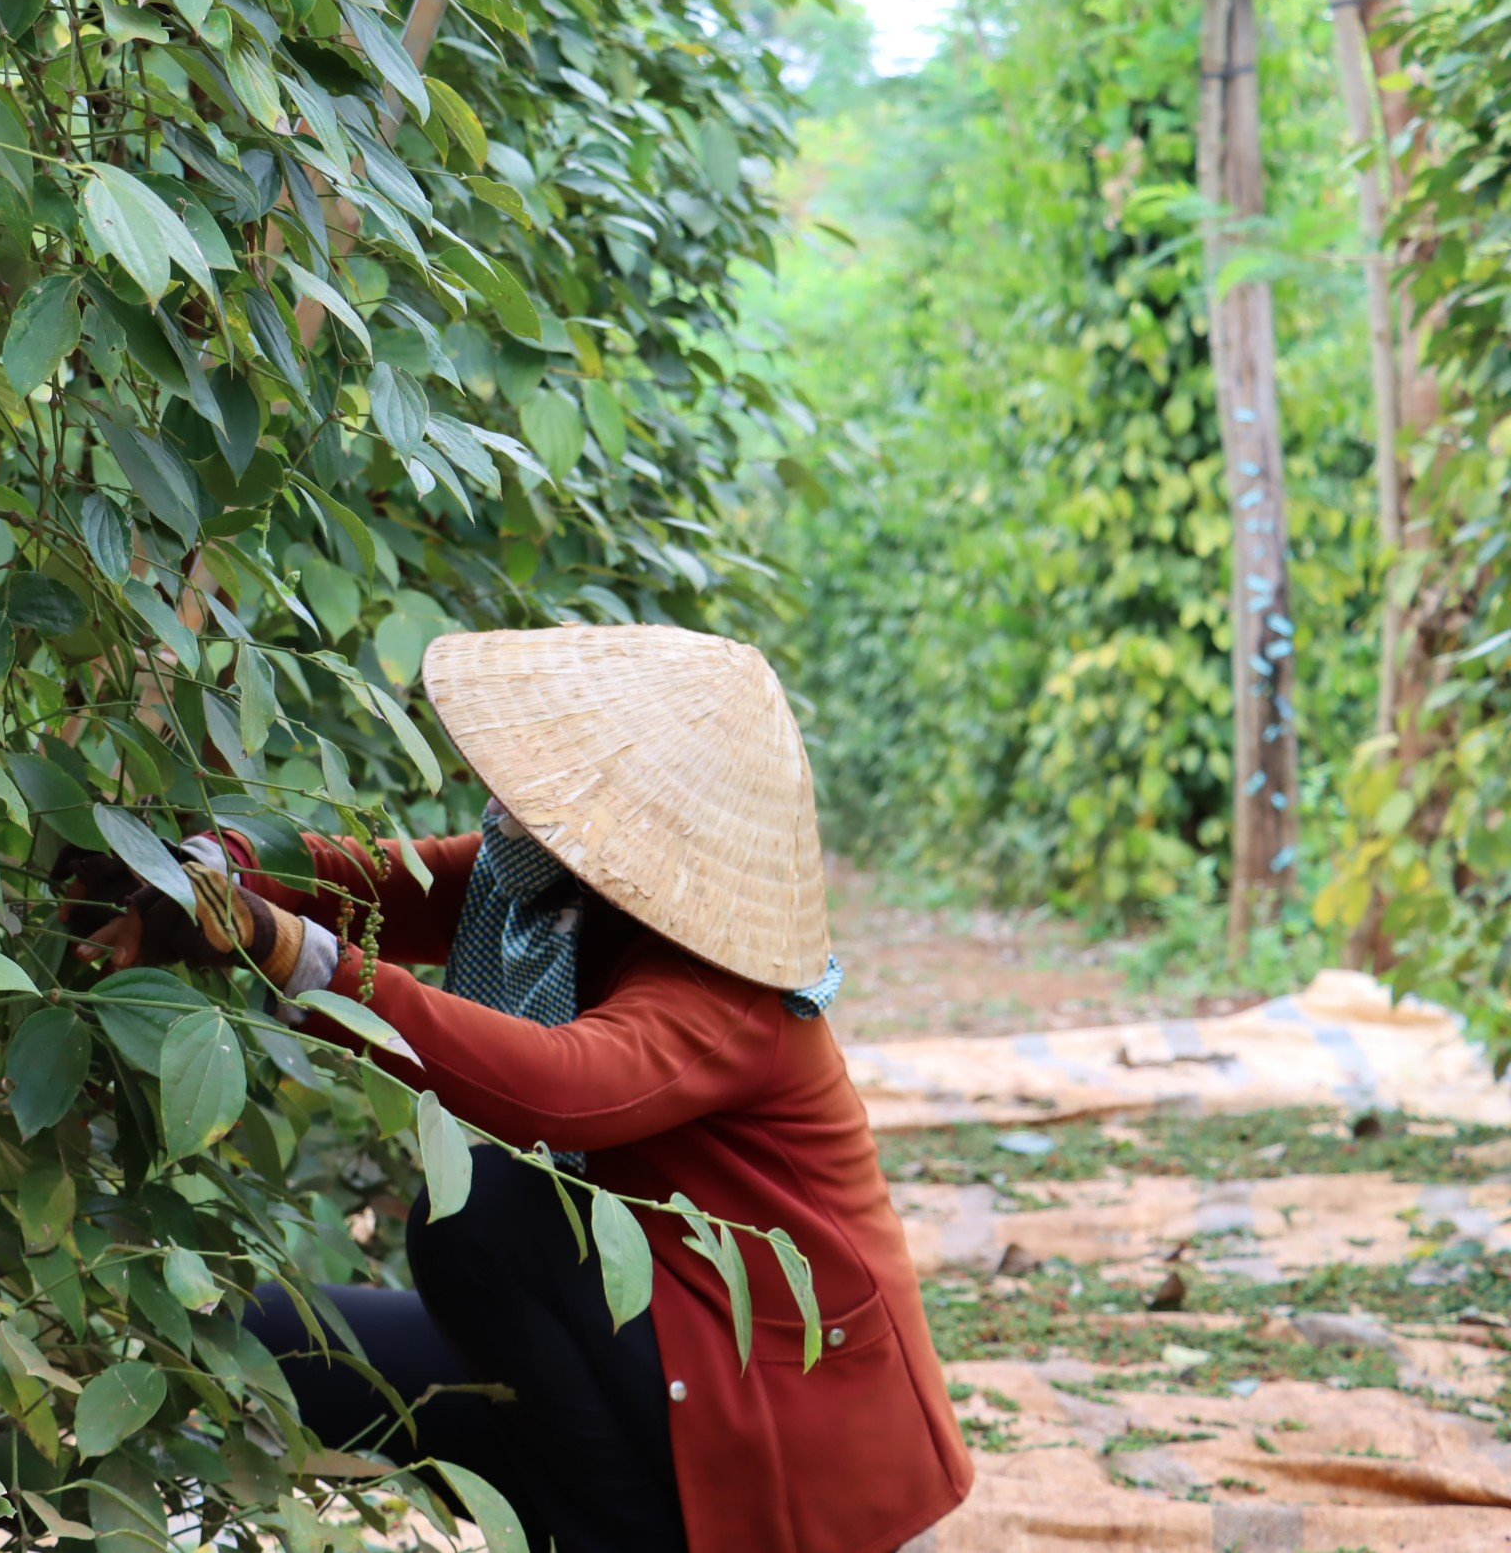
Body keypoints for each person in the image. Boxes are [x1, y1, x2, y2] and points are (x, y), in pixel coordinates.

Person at [66, 624, 973, 1553]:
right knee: (257, 1340)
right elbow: (378, 885)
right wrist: (197, 869)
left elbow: (561, 1088)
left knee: (479, 1218)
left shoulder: (722, 985)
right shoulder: (565, 885)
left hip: (774, 1426)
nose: (508, 796)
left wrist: (296, 953)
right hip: (642, 1362)